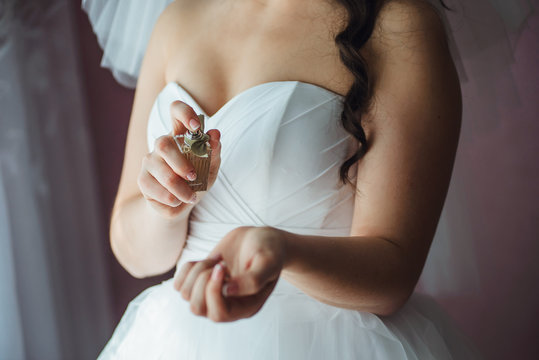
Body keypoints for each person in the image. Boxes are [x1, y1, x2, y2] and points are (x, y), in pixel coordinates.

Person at [92, 0, 482, 358]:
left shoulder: (399, 25)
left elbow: (394, 276)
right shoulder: (179, 18)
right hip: (172, 342)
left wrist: (280, 250)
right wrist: (168, 201)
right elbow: (135, 255)